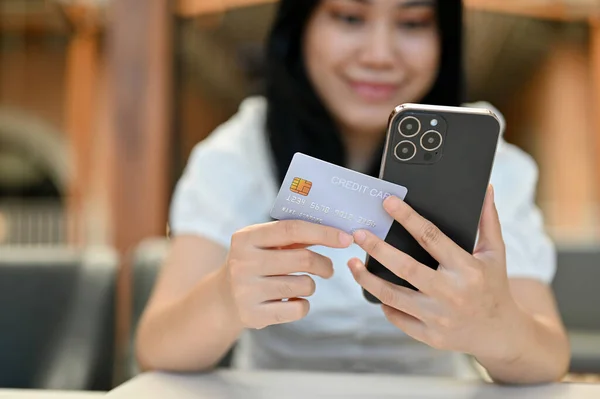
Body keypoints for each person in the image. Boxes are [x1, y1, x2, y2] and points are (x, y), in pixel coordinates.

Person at [135, 0, 570, 384]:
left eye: (414, 22)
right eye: (348, 17)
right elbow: (156, 350)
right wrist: (225, 299)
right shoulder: (236, 153)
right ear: (299, 25)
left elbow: (549, 358)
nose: (380, 55)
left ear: (445, 38)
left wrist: (497, 327)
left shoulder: (488, 163)